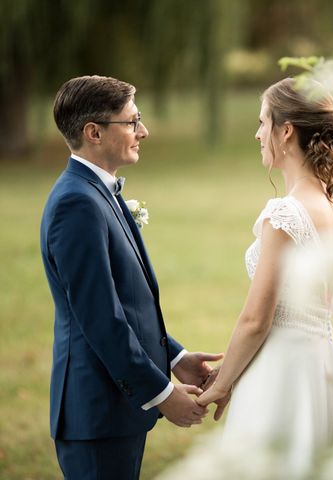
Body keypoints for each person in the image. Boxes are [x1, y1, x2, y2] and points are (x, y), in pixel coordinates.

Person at [40, 75, 222, 479]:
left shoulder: (98, 191)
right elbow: (100, 317)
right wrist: (161, 393)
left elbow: (126, 303)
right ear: (94, 132)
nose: (144, 131)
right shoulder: (77, 203)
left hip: (114, 409)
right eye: (132, 121)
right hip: (97, 411)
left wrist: (173, 357)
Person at [196, 77, 333, 476]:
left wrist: (221, 384)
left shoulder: (284, 214)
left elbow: (256, 319)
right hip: (320, 366)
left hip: (281, 373)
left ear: (286, 131)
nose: (258, 133)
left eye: (264, 122)